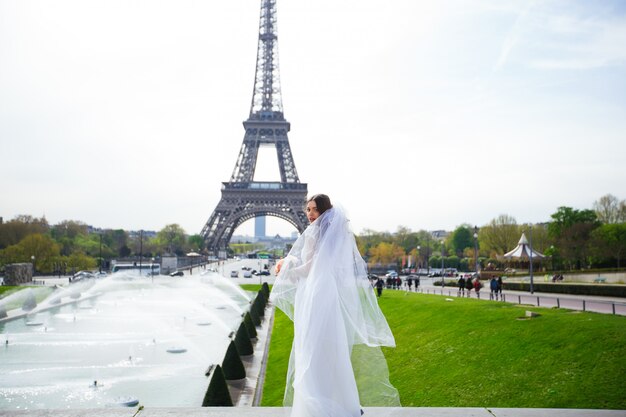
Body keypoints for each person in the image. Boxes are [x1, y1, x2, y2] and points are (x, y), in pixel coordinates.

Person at [270, 194, 400, 417]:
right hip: (326, 294)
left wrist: (286, 269)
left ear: (323, 211)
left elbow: (309, 268)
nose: (309, 214)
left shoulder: (313, 235)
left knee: (312, 348)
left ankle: (315, 404)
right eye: (308, 209)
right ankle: (341, 402)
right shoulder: (333, 236)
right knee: (329, 350)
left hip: (315, 294)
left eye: (313, 210)